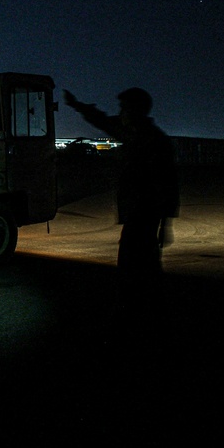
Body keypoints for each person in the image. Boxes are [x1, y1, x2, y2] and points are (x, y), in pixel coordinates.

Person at [62, 87, 179, 306]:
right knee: (143, 261)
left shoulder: (154, 141)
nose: (121, 113)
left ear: (136, 110)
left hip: (145, 211)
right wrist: (77, 105)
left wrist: (166, 223)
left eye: (124, 108)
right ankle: (146, 304)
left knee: (136, 261)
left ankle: (139, 308)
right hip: (136, 210)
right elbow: (102, 120)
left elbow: (169, 183)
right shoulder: (134, 133)